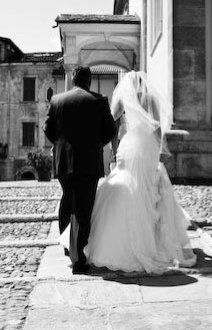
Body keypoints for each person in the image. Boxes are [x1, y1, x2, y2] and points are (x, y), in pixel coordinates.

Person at [62, 71, 197, 273]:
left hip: (131, 144)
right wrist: (157, 151)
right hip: (148, 146)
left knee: (125, 181)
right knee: (146, 187)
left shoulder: (125, 99)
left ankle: (103, 241)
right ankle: (152, 241)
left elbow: (109, 120)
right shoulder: (151, 100)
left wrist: (99, 140)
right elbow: (158, 129)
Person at [43, 66, 117, 274]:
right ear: (89, 81)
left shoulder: (57, 100)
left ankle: (67, 248)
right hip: (88, 161)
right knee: (83, 208)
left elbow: (48, 129)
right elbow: (110, 131)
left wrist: (60, 145)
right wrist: (95, 144)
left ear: (74, 79)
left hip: (63, 162)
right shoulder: (99, 100)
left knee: (67, 201)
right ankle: (78, 259)